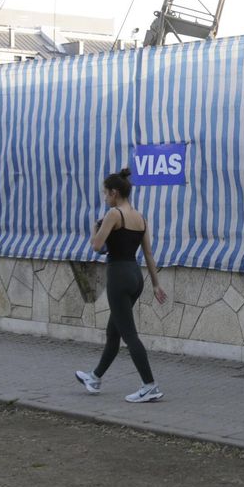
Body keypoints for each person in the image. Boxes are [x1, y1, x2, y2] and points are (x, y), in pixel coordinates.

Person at [76, 168, 167, 402]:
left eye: (106, 194)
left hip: (118, 276)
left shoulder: (114, 214)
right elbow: (148, 254)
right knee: (113, 333)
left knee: (129, 335)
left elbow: (96, 246)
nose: (105, 199)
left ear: (115, 193)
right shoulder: (140, 217)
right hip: (135, 276)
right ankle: (94, 377)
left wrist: (95, 228)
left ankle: (150, 385)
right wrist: (156, 285)